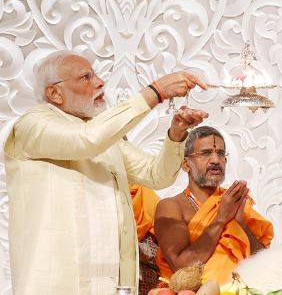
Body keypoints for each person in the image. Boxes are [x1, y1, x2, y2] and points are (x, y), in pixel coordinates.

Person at [3, 50, 208, 294]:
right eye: (85, 77)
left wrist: (176, 135)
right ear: (55, 93)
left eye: (96, 75)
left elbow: (155, 175)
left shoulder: (96, 133)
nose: (100, 82)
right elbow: (85, 141)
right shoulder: (33, 124)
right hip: (56, 282)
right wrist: (156, 92)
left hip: (111, 283)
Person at [154, 126, 274, 284]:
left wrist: (241, 224)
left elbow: (264, 264)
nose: (216, 160)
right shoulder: (171, 206)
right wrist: (220, 219)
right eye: (205, 153)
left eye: (221, 153)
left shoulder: (233, 202)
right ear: (185, 164)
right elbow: (182, 268)